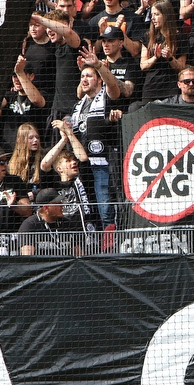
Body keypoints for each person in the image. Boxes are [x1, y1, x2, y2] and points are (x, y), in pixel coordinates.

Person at [70, 53, 124, 228]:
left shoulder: (106, 97)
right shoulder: (78, 105)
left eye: (89, 76)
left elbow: (114, 86)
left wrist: (99, 66)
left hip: (104, 162)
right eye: (82, 76)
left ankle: (110, 237)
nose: (84, 80)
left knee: (105, 203)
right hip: (83, 165)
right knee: (90, 205)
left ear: (99, 80)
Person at [39, 120, 94, 231]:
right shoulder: (53, 185)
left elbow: (83, 158)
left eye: (74, 160)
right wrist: (63, 140)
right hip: (63, 233)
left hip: (85, 231)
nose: (73, 163)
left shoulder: (82, 180)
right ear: (59, 169)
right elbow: (44, 165)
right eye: (68, 161)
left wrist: (69, 133)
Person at [139, 0, 187, 103]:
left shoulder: (180, 37)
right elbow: (143, 65)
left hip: (171, 87)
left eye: (156, 14)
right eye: (152, 14)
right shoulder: (148, 37)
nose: (153, 18)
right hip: (151, 88)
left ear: (165, 15)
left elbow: (182, 68)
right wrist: (155, 57)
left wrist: (170, 58)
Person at [18, 188, 82, 255]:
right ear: (46, 208)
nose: (62, 206)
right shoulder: (29, 225)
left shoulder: (67, 224)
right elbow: (28, 259)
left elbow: (79, 255)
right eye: (58, 203)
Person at [0, 57, 48, 147]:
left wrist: (19, 72)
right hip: (9, 149)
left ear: (31, 76)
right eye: (14, 76)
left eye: (21, 75)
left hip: (31, 148)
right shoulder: (10, 95)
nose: (17, 79)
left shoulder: (41, 94)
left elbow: (36, 100)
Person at [7, 123, 43, 201]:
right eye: (31, 138)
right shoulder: (12, 163)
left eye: (37, 137)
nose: (35, 140)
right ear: (20, 140)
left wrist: (35, 193)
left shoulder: (43, 158)